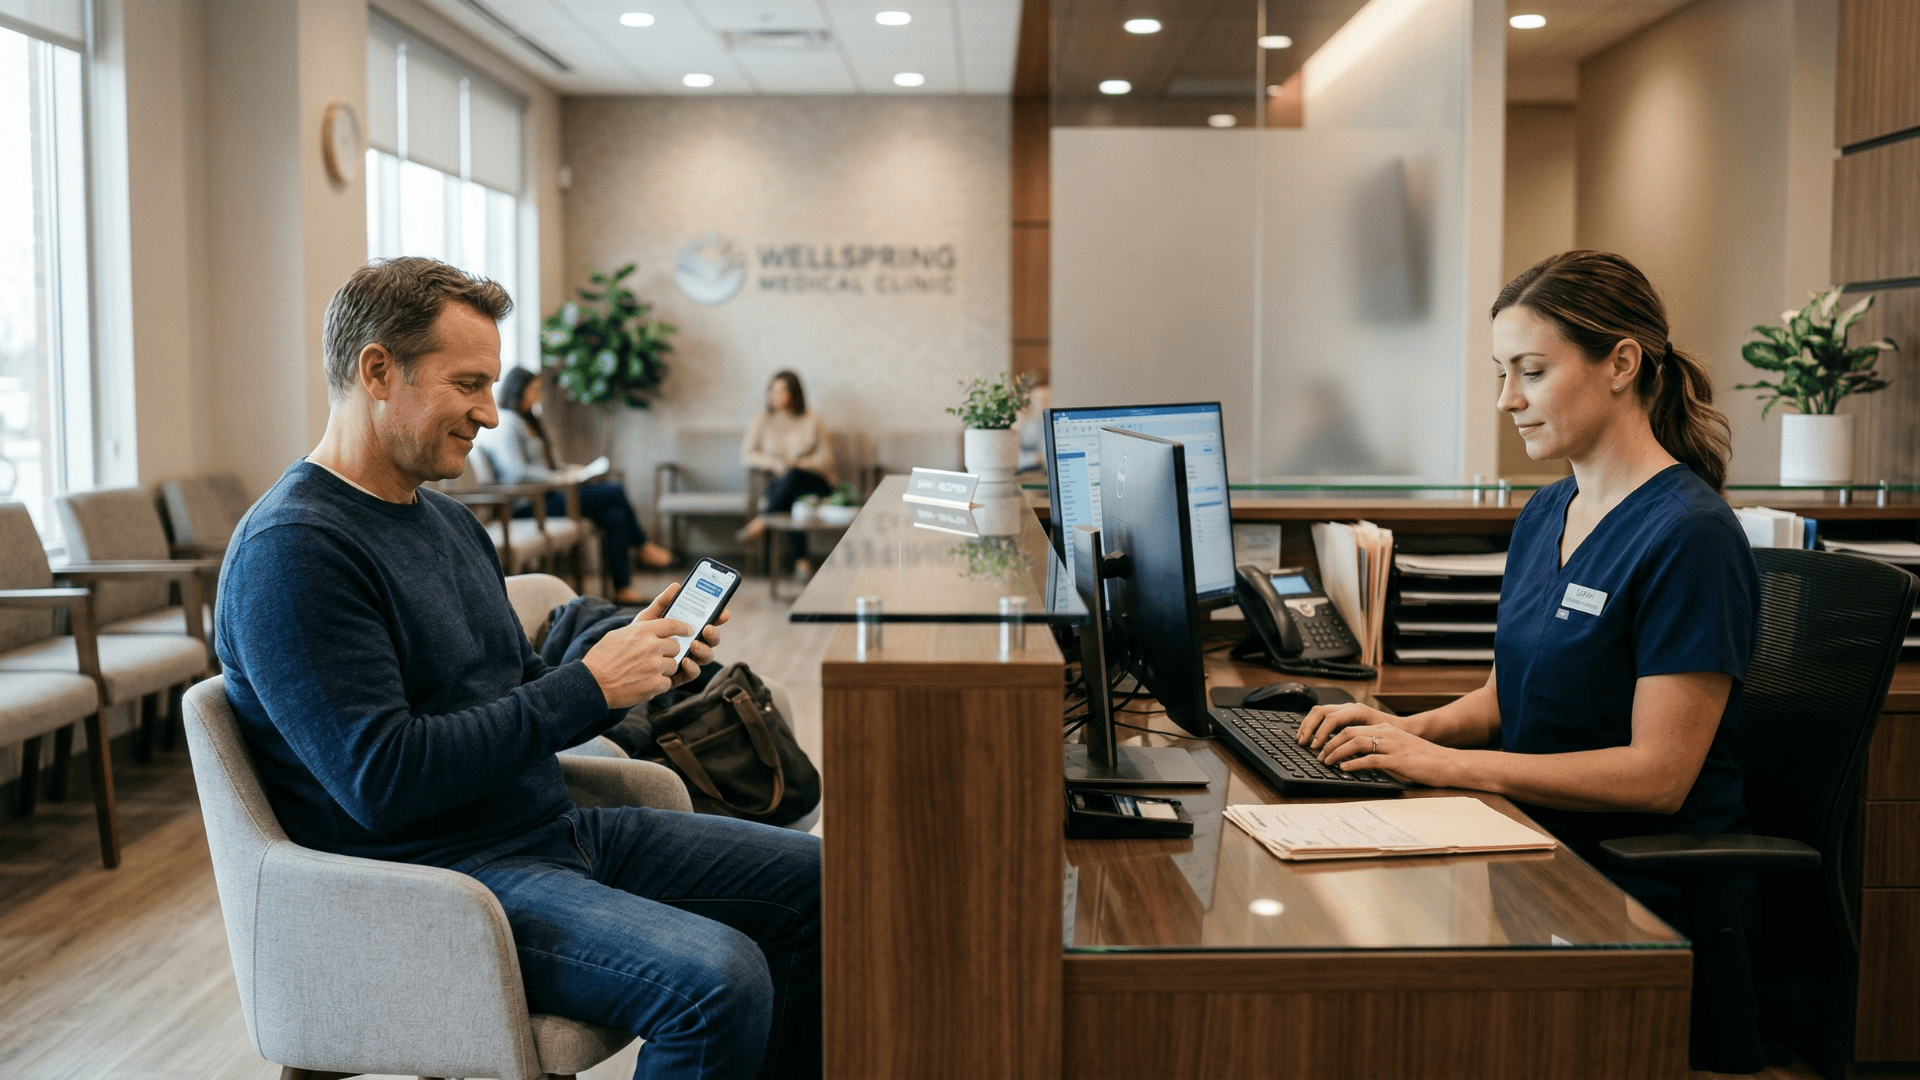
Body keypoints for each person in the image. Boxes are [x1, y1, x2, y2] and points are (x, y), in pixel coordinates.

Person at [217, 256, 821, 1080]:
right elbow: (382, 779)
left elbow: (518, 691)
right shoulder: (294, 551)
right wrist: (590, 685)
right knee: (716, 981)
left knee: (824, 887)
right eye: (468, 383)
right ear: (377, 370)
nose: (490, 415)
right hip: (434, 884)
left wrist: (636, 672)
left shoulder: (446, 523)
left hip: (548, 834)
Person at [1295, 250, 1759, 932]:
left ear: (1621, 366)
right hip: (1526, 839)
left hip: (1631, 885)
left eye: (1532, 372)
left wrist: (1452, 765)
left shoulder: (1691, 535)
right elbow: (1502, 701)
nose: (1507, 399)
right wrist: (1401, 733)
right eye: (1502, 373)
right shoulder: (1547, 512)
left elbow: (1658, 777)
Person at [479, 365, 675, 604]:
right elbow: (516, 474)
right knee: (613, 492)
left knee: (615, 516)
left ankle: (623, 588)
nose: (538, 395)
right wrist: (558, 479)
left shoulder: (531, 420)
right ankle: (642, 545)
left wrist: (571, 471)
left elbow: (550, 464)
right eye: (534, 389)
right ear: (517, 390)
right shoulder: (507, 423)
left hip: (551, 495)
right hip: (529, 504)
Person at [738, 371, 837, 571]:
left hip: (814, 482)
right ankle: (802, 561)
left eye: (782, 391)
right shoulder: (762, 420)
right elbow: (747, 454)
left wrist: (799, 463)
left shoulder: (812, 420)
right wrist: (774, 463)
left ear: (795, 394)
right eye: (772, 391)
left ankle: (763, 520)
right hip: (783, 485)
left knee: (792, 478)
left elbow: (826, 460)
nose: (775, 396)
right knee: (790, 494)